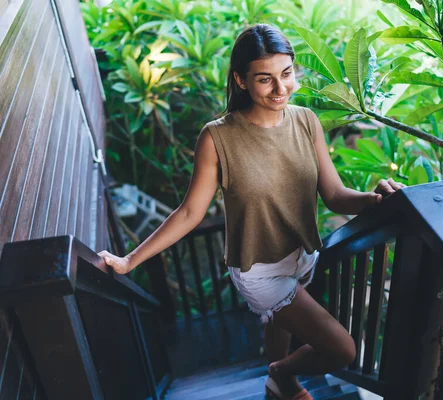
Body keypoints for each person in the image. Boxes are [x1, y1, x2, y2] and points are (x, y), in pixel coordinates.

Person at [99, 23, 404, 400]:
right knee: (342, 349)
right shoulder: (218, 138)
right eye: (265, 79)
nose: (281, 90)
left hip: (302, 254)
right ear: (241, 80)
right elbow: (189, 213)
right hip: (259, 269)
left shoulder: (306, 121)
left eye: (287, 74)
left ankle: (280, 385)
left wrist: (375, 199)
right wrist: (130, 261)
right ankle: (280, 370)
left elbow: (336, 195)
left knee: (281, 323)